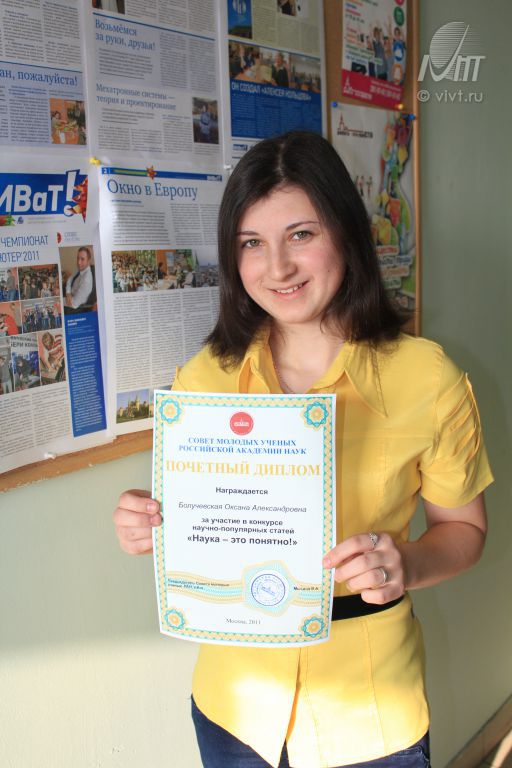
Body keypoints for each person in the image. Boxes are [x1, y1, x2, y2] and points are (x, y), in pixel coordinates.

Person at [113, 131, 493, 768]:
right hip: (234, 705)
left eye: (301, 234)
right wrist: (150, 520)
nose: (278, 268)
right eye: (251, 243)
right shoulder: (203, 378)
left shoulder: (427, 378)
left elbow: (465, 530)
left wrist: (406, 563)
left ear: (345, 232)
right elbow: (206, 519)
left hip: (368, 713)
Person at [65, 247, 95, 312]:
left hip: (73, 308)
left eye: (82, 259)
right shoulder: (81, 268)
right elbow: (70, 279)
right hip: (69, 294)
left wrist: (59, 300)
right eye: (78, 258)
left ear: (88, 261)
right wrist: (68, 293)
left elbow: (73, 304)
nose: (79, 262)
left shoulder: (86, 281)